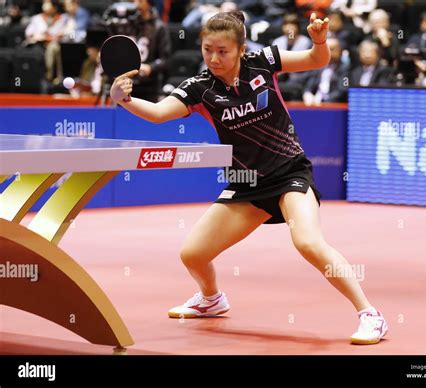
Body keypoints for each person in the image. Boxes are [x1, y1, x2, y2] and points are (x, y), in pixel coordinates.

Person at [110, 11, 388, 345]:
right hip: (246, 184)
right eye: (207, 50)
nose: (214, 58)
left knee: (308, 243)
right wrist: (123, 100)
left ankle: (370, 314)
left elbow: (317, 59)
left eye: (223, 51)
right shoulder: (200, 88)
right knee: (193, 254)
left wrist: (318, 39)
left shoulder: (263, 62)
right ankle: (211, 299)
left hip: (289, 173)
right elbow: (157, 114)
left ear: (241, 49)